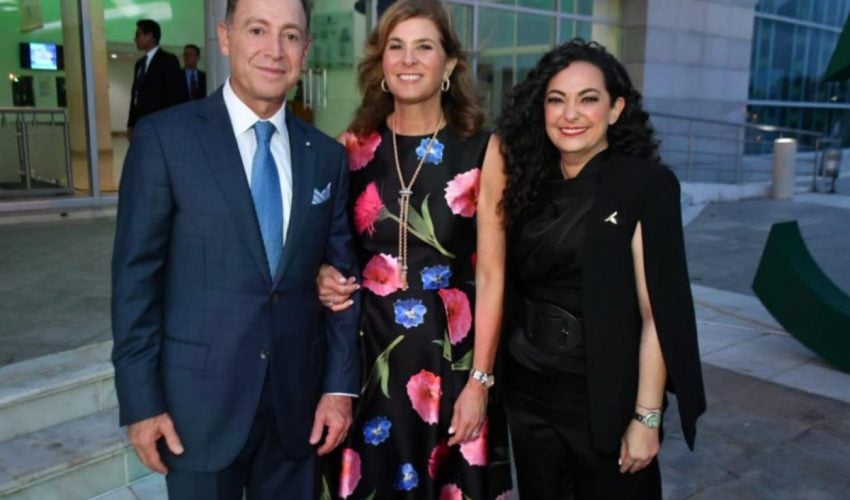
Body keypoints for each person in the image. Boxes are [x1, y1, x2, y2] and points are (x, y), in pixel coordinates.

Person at [111, 0, 360, 498]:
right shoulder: (165, 139)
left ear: (306, 49)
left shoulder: (326, 157)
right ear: (225, 37)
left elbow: (341, 281)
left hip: (297, 412)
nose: (275, 50)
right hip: (197, 411)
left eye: (291, 35)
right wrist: (142, 403)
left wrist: (338, 388)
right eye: (257, 30)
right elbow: (135, 281)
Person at [316, 0, 512, 497]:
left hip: (451, 362)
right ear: (380, 63)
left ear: (449, 64)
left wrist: (480, 382)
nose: (408, 59)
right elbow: (322, 248)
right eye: (396, 47)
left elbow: (492, 276)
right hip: (367, 359)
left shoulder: (483, 150)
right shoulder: (350, 147)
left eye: (424, 46)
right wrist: (321, 274)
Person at [495, 39, 707, 499]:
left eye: (588, 99)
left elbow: (657, 313)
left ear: (615, 109)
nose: (570, 114)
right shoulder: (526, 183)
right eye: (557, 100)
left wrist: (646, 417)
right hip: (527, 393)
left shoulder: (644, 185)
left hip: (602, 398)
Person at [127, 19, 188, 138]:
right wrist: (131, 123)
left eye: (138, 35)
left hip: (160, 124)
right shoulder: (140, 64)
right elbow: (135, 96)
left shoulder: (168, 60)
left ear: (150, 36)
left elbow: (175, 96)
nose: (135, 39)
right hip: (141, 124)